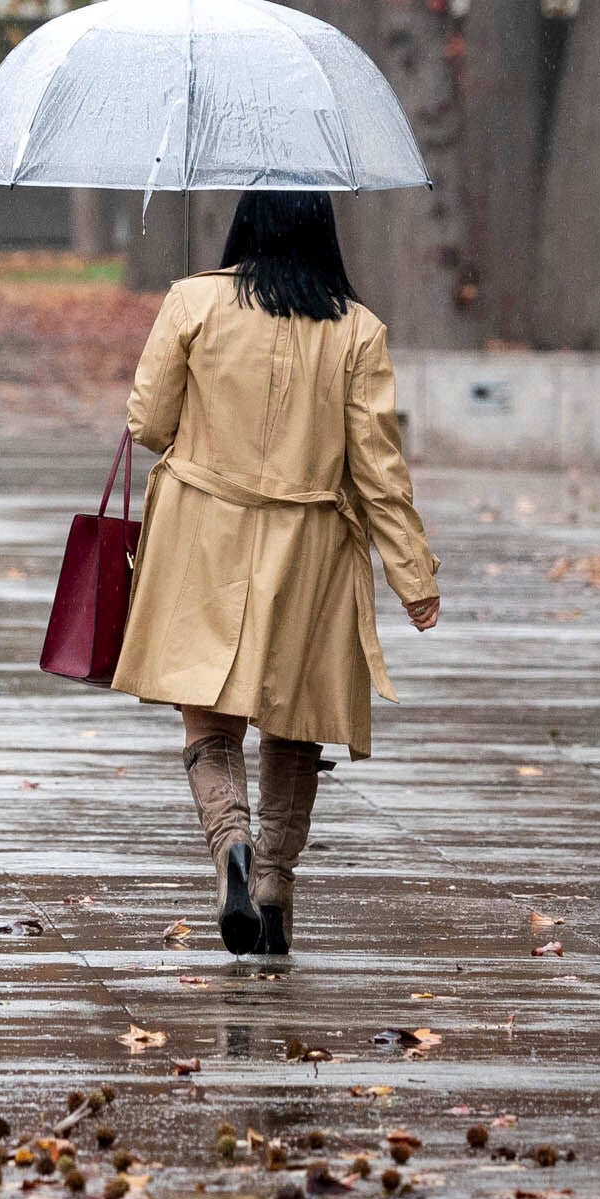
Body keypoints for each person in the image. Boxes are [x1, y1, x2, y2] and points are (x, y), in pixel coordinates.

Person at [111, 188, 441, 956]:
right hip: (313, 544)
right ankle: (275, 883)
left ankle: (230, 846)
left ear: (244, 223)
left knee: (208, 715)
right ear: (324, 231)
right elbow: (379, 469)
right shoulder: (359, 329)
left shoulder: (194, 300)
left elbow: (150, 425)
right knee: (296, 723)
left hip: (203, 533)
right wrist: (413, 575)